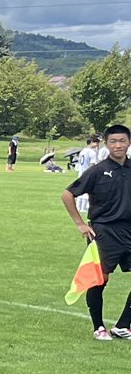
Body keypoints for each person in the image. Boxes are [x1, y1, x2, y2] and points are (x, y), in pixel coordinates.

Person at [64, 123, 131, 340]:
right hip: (103, 231)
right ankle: (99, 327)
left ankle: (123, 326)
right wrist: (80, 224)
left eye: (122, 141)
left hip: (129, 230)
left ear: (129, 142)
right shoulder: (98, 170)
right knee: (100, 280)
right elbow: (67, 194)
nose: (118, 145)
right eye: (113, 141)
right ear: (107, 144)